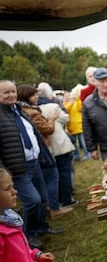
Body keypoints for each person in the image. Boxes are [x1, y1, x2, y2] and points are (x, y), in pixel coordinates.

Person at [0, 80, 63, 250]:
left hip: (35, 163)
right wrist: (4, 172)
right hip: (17, 169)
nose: (11, 95)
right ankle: (28, 234)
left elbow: (33, 136)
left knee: (42, 199)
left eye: (13, 91)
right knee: (32, 201)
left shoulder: (19, 111)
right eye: (6, 92)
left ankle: (41, 227)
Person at [17, 84, 74, 218]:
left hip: (38, 149)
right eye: (33, 95)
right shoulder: (32, 112)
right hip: (42, 148)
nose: (37, 97)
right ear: (26, 97)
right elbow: (48, 129)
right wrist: (52, 119)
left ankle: (50, 208)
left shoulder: (27, 110)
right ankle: (54, 208)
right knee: (52, 177)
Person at [0, 168, 55, 262]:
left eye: (13, 186)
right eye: (8, 189)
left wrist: (35, 255)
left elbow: (18, 253)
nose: (15, 192)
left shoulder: (10, 220)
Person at [64, 84, 90, 161]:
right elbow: (66, 110)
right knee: (74, 143)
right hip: (71, 127)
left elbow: (80, 108)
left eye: (69, 95)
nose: (68, 97)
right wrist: (71, 102)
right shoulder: (66, 104)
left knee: (83, 141)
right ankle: (76, 155)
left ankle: (87, 153)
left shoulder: (77, 102)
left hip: (79, 125)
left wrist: (77, 99)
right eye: (66, 96)